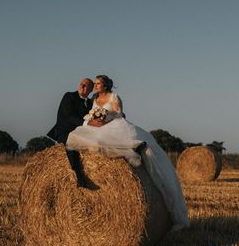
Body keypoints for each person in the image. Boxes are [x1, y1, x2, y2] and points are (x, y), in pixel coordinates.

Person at [66, 75, 189, 230]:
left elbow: (120, 114)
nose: (95, 86)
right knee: (79, 138)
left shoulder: (114, 97)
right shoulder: (94, 98)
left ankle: (132, 153)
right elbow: (90, 114)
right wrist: (94, 119)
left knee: (119, 142)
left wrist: (106, 119)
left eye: (98, 84)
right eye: (95, 84)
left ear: (105, 86)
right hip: (96, 126)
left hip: (113, 124)